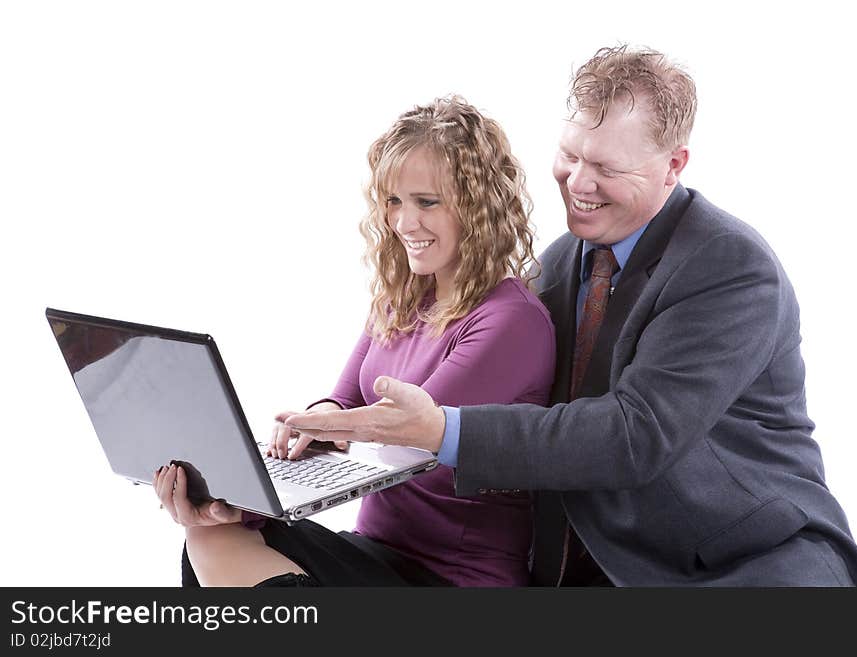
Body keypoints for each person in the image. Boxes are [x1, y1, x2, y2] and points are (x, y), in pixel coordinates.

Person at [282, 45, 857, 586]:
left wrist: (443, 429)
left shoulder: (729, 267)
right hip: (598, 568)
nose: (579, 183)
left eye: (608, 169)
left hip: (743, 565)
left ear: (675, 164)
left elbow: (634, 434)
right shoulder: (561, 263)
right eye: (569, 155)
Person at [153, 96, 556, 587]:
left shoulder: (511, 320)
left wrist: (252, 503)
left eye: (426, 202)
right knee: (209, 534)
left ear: (478, 205)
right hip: (379, 553)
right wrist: (319, 419)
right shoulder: (400, 300)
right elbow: (346, 402)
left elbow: (407, 434)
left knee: (226, 536)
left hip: (452, 579)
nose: (405, 223)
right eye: (393, 201)